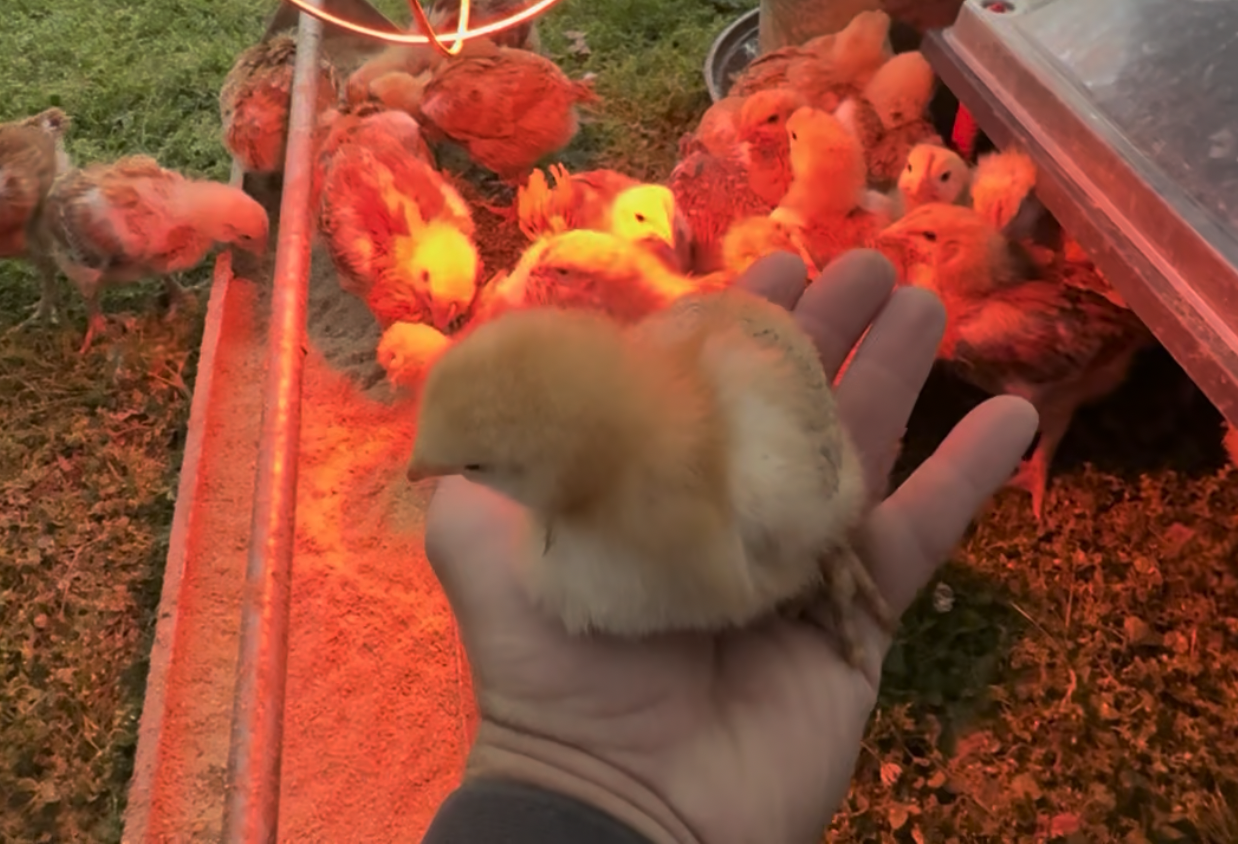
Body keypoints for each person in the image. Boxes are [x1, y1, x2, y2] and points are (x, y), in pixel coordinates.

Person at [417, 248, 1039, 844]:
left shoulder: (765, 480)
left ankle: (827, 553)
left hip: (746, 423)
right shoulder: (568, 543)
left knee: (794, 502)